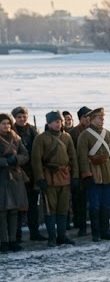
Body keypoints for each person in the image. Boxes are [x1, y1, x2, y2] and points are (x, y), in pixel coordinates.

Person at [31, 111, 79, 247]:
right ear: (49, 123)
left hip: (64, 176)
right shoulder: (41, 139)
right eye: (56, 122)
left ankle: (62, 235)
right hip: (49, 178)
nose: (59, 124)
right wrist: (40, 178)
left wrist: (75, 176)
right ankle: (52, 237)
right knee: (50, 209)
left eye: (60, 121)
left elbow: (73, 158)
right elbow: (36, 161)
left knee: (63, 208)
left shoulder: (67, 137)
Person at [76, 107, 110, 241]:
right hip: (93, 173)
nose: (101, 121)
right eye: (99, 118)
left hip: (107, 172)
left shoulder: (108, 134)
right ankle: (96, 233)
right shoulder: (84, 135)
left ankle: (105, 231)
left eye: (102, 118)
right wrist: (86, 174)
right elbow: (82, 157)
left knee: (106, 204)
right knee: (94, 205)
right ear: (91, 119)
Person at [0, 113, 29, 252]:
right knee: (2, 211)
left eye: (8, 123)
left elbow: (25, 155)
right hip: (2, 178)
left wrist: (16, 160)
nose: (6, 126)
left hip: (15, 178)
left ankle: (13, 240)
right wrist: (5, 161)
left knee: (14, 211)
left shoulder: (16, 138)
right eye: (3, 123)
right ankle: (4, 241)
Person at [11, 107, 41, 242]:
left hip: (32, 172)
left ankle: (35, 233)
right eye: (19, 117)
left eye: (24, 116)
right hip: (17, 173)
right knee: (17, 206)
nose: (22, 119)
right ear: (15, 118)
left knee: (33, 205)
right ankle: (16, 236)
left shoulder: (33, 131)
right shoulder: (11, 132)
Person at [69, 107, 94, 237]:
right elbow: (73, 154)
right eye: (85, 117)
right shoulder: (74, 132)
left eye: (90, 117)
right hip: (80, 171)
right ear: (80, 118)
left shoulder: (95, 130)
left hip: (95, 170)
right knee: (80, 201)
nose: (88, 119)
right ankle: (81, 226)